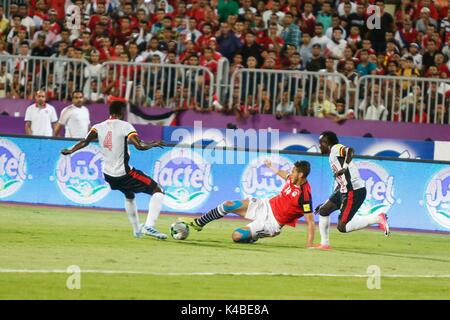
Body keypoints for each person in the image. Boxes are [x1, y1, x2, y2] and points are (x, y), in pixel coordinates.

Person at [60, 100, 168, 240]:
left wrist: (70, 150)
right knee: (158, 190)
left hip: (109, 175)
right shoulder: (125, 126)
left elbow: (84, 141)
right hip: (124, 173)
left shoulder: (98, 127)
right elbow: (139, 146)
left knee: (129, 195)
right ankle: (149, 226)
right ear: (122, 112)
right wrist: (153, 143)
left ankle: (136, 230)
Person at [180, 160, 316, 247]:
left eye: (293, 172)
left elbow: (310, 221)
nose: (290, 174)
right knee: (228, 204)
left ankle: (253, 236)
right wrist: (271, 167)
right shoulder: (291, 179)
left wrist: (309, 244)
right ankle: (199, 223)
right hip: (266, 205)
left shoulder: (304, 196)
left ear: (301, 175)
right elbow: (283, 174)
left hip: (272, 223)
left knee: (237, 236)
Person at [314, 131, 390, 250]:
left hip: (353, 190)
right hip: (345, 189)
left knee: (342, 227)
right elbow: (341, 183)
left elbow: (350, 150)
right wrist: (326, 202)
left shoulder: (335, 148)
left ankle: (378, 218)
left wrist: (344, 168)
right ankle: (325, 244)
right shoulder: (332, 156)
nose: (319, 146)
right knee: (324, 210)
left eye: (321, 143)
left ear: (326, 143)